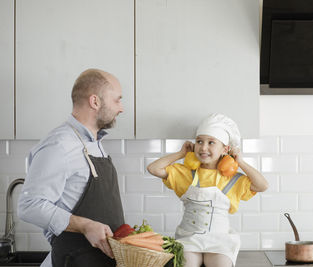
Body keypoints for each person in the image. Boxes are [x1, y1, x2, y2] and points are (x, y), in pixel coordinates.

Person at [18, 68, 125, 267]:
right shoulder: (59, 145)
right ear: (95, 102)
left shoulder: (95, 143)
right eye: (117, 100)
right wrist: (85, 225)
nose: (121, 108)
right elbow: (29, 206)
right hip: (73, 261)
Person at [147, 113, 268, 267]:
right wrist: (181, 153)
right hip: (189, 239)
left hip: (220, 242)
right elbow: (153, 168)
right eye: (199, 141)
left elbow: (262, 185)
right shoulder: (185, 173)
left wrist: (241, 162)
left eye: (211, 142)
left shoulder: (233, 179)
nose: (203, 147)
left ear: (225, 148)